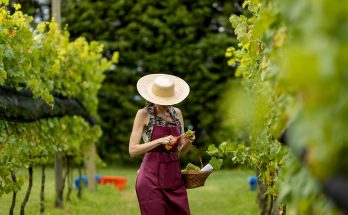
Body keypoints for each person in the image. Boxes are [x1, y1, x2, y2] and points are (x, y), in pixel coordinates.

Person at [129, 74, 195, 215]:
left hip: (174, 178)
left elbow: (180, 151)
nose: (164, 103)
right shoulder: (143, 114)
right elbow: (133, 150)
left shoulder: (177, 114)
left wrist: (188, 142)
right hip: (150, 179)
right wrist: (159, 140)